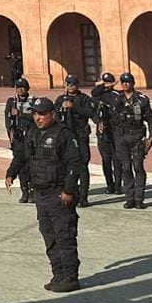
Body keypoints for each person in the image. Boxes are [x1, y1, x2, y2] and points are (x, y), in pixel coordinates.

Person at [4, 96, 83, 291]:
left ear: (52, 114)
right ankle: (58, 274)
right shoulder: (32, 133)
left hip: (58, 194)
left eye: (42, 114)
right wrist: (11, 173)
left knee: (64, 236)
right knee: (49, 237)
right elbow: (21, 155)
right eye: (36, 114)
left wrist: (68, 190)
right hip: (40, 194)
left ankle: (70, 277)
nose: (38, 118)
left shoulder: (64, 135)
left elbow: (75, 164)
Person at [110, 72, 152, 209]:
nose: (125, 84)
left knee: (138, 167)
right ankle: (129, 198)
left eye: (127, 82)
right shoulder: (117, 100)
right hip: (122, 137)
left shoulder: (142, 100)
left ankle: (139, 198)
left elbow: (150, 118)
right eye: (122, 82)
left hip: (137, 136)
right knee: (126, 168)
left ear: (133, 83)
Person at [54, 75, 96, 206]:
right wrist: (61, 109)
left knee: (83, 165)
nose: (71, 87)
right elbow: (55, 116)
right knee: (65, 165)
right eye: (68, 84)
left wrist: (74, 107)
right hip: (66, 136)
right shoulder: (61, 99)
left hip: (80, 135)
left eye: (73, 84)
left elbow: (90, 112)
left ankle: (83, 196)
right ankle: (70, 192)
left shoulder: (84, 98)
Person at [3, 77, 35, 204]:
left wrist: (21, 114)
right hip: (18, 138)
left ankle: (33, 190)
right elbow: (7, 119)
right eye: (18, 87)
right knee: (20, 166)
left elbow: (35, 117)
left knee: (32, 165)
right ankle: (24, 191)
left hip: (31, 137)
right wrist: (9, 134)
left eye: (22, 87)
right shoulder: (11, 102)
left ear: (27, 89)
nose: (20, 90)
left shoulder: (33, 101)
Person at [91, 72, 120, 195]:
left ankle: (118, 185)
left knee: (117, 159)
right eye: (105, 82)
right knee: (106, 160)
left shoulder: (117, 95)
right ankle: (110, 185)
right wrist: (98, 122)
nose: (107, 85)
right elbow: (94, 94)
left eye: (109, 82)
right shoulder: (97, 96)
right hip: (103, 132)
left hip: (115, 131)